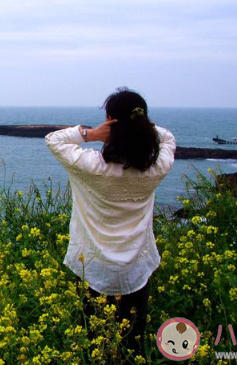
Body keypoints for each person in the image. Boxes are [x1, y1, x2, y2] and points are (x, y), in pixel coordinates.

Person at [45, 87, 176, 361]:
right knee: (132, 345)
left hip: (94, 268)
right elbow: (168, 138)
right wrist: (140, 126)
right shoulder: (156, 168)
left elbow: (54, 141)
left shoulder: (91, 166)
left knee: (94, 344)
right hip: (136, 270)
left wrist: (90, 134)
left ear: (110, 123)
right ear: (143, 122)